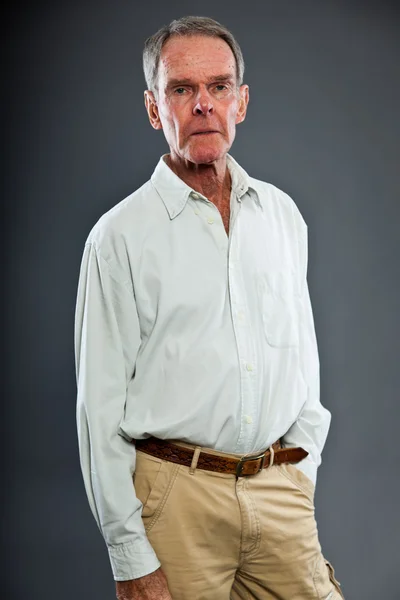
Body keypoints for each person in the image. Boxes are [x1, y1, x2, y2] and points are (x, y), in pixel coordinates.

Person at [74, 15, 344, 600]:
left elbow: (304, 360)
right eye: (182, 89)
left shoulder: (281, 216)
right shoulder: (118, 237)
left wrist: (300, 475)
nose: (203, 105)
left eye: (218, 87)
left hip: (279, 494)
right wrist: (128, 554)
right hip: (176, 500)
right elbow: (98, 407)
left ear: (240, 102)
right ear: (155, 109)